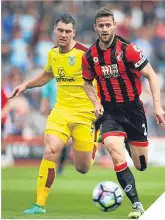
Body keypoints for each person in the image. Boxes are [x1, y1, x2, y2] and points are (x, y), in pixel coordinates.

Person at [8, 14, 97, 214]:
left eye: (68, 31)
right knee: (51, 150)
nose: (63, 34)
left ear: (73, 33)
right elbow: (47, 75)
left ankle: (94, 143)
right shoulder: (52, 53)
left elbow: (102, 78)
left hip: (85, 115)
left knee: (82, 168)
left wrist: (101, 105)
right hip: (61, 112)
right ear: (55, 31)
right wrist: (26, 85)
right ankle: (39, 204)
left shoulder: (87, 54)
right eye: (60, 30)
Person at [82, 8, 165, 219]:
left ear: (114, 25)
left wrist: (157, 106)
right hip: (110, 112)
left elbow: (151, 75)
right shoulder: (90, 56)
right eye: (100, 25)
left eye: (108, 25)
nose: (104, 29)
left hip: (133, 111)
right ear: (95, 28)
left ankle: (128, 142)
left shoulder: (128, 50)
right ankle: (137, 205)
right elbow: (86, 81)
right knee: (112, 147)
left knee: (141, 166)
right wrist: (95, 102)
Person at [40, 79, 69, 175]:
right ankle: (50, 165)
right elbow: (45, 95)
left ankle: (60, 166)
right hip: (53, 112)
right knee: (50, 142)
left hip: (66, 112)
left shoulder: (67, 77)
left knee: (64, 143)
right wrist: (46, 110)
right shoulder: (50, 80)